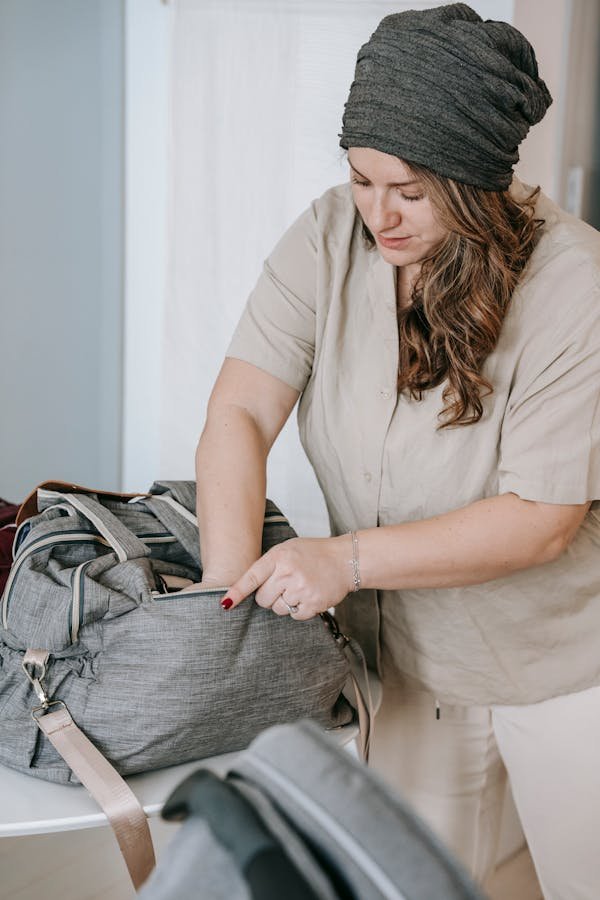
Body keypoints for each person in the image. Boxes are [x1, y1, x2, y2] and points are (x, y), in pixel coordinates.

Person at [192, 4, 600, 896]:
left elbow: (541, 522)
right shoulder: (329, 234)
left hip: (569, 668)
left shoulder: (578, 285)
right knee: (413, 883)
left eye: (410, 191)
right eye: (360, 179)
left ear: (477, 182)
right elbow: (241, 412)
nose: (379, 215)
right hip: (408, 666)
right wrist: (228, 614)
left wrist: (346, 559)